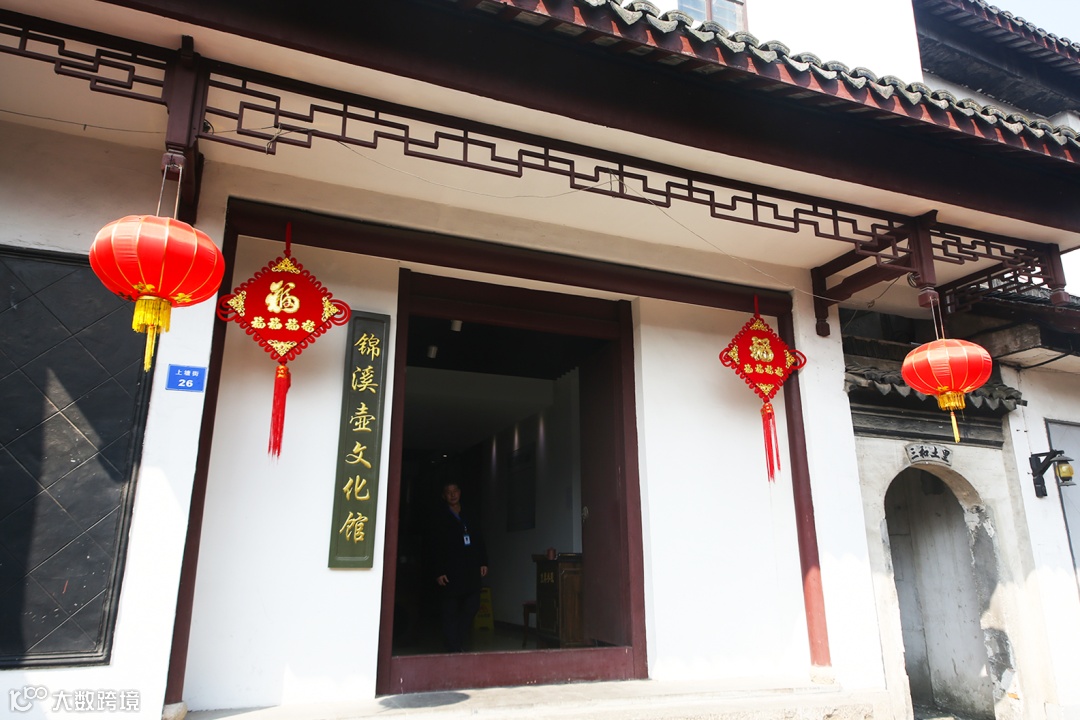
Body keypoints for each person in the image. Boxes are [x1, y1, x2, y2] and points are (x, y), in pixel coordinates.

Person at [429, 481, 488, 653]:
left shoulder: (469, 513)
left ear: (460, 493)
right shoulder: (439, 516)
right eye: (448, 492)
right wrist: (439, 571)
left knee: (472, 605)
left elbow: (479, 538)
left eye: (455, 491)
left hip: (470, 568)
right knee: (450, 610)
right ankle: (453, 647)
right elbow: (434, 545)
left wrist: (483, 561)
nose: (452, 494)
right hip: (450, 570)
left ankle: (456, 640)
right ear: (444, 496)